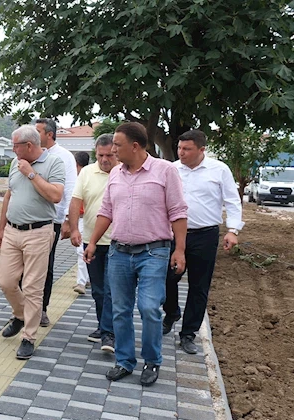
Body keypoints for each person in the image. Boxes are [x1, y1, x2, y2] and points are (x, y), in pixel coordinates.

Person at [84, 122, 187, 386]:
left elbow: (178, 212)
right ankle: (125, 361)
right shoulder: (116, 174)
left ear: (135, 146)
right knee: (120, 309)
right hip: (119, 252)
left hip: (154, 252)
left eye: (117, 145)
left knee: (149, 307)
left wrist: (180, 250)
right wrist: (93, 242)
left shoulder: (165, 171)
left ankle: (152, 360)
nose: (113, 150)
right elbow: (106, 211)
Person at [163, 130, 244, 354]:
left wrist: (233, 230)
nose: (181, 153)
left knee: (199, 286)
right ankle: (171, 312)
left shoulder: (219, 170)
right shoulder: (172, 169)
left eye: (187, 149)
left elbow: (232, 201)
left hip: (205, 235)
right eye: (179, 148)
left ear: (201, 150)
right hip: (173, 235)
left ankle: (188, 333)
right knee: (167, 278)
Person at [0, 124, 65, 359]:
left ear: (28, 145)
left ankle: (28, 337)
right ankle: (19, 314)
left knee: (33, 287)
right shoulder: (16, 164)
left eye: (15, 145)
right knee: (5, 281)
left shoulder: (54, 163)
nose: (13, 150)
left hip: (39, 231)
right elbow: (9, 194)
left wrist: (31, 173)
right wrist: (0, 227)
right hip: (13, 231)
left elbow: (56, 195)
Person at [69, 134, 117, 353]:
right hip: (92, 241)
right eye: (100, 155)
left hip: (118, 242)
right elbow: (76, 201)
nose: (105, 159)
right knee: (98, 289)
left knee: (110, 289)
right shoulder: (87, 172)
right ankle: (103, 326)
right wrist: (74, 229)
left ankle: (109, 334)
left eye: (109, 155)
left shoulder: (124, 171)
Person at [34, 118, 77, 326]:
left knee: (46, 266)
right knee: (25, 267)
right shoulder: (32, 153)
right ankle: (24, 308)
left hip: (52, 219)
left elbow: (70, 189)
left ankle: (41, 308)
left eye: (38, 131)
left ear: (49, 134)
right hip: (29, 218)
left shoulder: (64, 156)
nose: (34, 135)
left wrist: (69, 219)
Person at [72, 151, 91, 295]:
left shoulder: (80, 178)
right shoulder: (89, 175)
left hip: (84, 218)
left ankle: (81, 281)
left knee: (81, 250)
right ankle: (87, 278)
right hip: (87, 218)